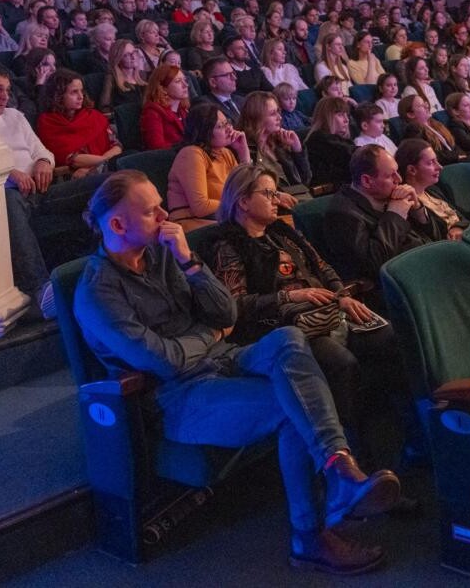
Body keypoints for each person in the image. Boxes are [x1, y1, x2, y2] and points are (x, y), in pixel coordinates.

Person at [74, 170, 400, 575]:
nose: (165, 216)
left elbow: (226, 312)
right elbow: (165, 361)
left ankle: (339, 468)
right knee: (291, 404)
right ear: (118, 225)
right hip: (178, 397)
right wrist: (208, 335)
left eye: (161, 204)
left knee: (286, 339)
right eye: (152, 211)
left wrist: (190, 263)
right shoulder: (97, 292)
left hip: (223, 358)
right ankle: (309, 536)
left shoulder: (162, 253)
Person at [202, 165, 409, 445]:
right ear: (243, 201)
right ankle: (352, 450)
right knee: (341, 363)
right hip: (283, 327)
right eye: (268, 193)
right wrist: (291, 296)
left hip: (329, 310)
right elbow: (235, 305)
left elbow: (323, 267)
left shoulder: (283, 233)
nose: (277, 199)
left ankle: (405, 435)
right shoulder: (228, 246)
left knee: (393, 338)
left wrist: (342, 295)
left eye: (276, 192)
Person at [0, 62, 102, 313]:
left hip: (44, 191)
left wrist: (42, 162)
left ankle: (107, 262)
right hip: (8, 197)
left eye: (7, 90)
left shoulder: (15, 116)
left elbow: (43, 151)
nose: (5, 96)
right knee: (9, 199)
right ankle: (41, 289)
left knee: (110, 183)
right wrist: (11, 173)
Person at [323, 145, 447, 284]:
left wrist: (417, 209)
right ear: (367, 181)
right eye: (390, 175)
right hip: (405, 284)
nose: (399, 179)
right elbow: (373, 264)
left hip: (430, 265)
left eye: (397, 171)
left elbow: (439, 235)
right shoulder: (342, 214)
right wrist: (395, 216)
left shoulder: (389, 194)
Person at [166, 103, 250, 228]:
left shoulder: (225, 152)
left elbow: (245, 189)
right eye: (221, 126)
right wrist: (240, 202)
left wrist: (244, 154)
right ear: (205, 131)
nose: (229, 129)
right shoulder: (191, 154)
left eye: (227, 122)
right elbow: (201, 207)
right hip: (192, 223)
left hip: (221, 218)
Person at [36, 69, 123, 177]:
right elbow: (72, 159)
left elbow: (116, 146)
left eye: (81, 91)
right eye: (74, 92)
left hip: (101, 167)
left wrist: (98, 165)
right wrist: (105, 163)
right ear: (58, 95)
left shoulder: (93, 115)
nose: (81, 96)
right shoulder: (48, 123)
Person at [239, 91, 310, 197]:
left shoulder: (279, 143)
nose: (279, 117)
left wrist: (297, 149)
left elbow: (305, 180)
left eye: (278, 112)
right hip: (274, 205)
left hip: (299, 199)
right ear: (257, 118)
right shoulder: (245, 148)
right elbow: (251, 190)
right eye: (273, 114)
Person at [394, 139, 467, 241]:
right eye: (431, 163)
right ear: (412, 170)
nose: (440, 167)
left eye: (436, 161)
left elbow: (463, 217)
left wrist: (457, 227)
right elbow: (433, 236)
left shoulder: (433, 190)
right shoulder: (408, 203)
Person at [306, 97, 355, 190]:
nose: (346, 120)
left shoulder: (340, 139)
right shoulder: (319, 138)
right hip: (328, 194)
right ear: (326, 117)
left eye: (346, 115)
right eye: (340, 115)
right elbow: (353, 155)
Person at [140, 63, 191, 149]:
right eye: (178, 81)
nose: (186, 85)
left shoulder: (183, 110)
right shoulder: (153, 113)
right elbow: (156, 147)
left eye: (185, 80)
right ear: (163, 87)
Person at [399, 94, 460, 164]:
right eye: (421, 106)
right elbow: (432, 156)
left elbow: (452, 144)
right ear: (411, 114)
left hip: (454, 161)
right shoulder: (413, 131)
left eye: (425, 103)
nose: (427, 106)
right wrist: (457, 156)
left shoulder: (435, 124)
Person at [194, 56, 248, 124]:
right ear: (213, 82)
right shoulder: (205, 105)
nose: (234, 78)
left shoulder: (242, 100)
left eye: (233, 73)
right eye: (227, 75)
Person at [98, 39, 147, 110]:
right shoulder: (111, 79)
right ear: (118, 58)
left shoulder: (143, 75)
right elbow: (104, 106)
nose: (133, 57)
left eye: (134, 52)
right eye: (127, 55)